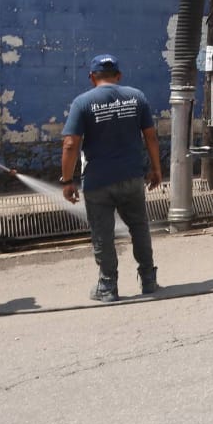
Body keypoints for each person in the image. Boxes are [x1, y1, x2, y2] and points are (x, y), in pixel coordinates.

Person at [60, 54, 162, 302]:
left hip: (98, 182)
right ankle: (148, 280)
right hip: (132, 176)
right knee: (139, 228)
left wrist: (67, 180)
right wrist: (156, 169)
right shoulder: (137, 97)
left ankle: (107, 287)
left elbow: (71, 143)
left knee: (103, 234)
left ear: (92, 77)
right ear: (119, 75)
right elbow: (150, 137)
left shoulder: (82, 102)